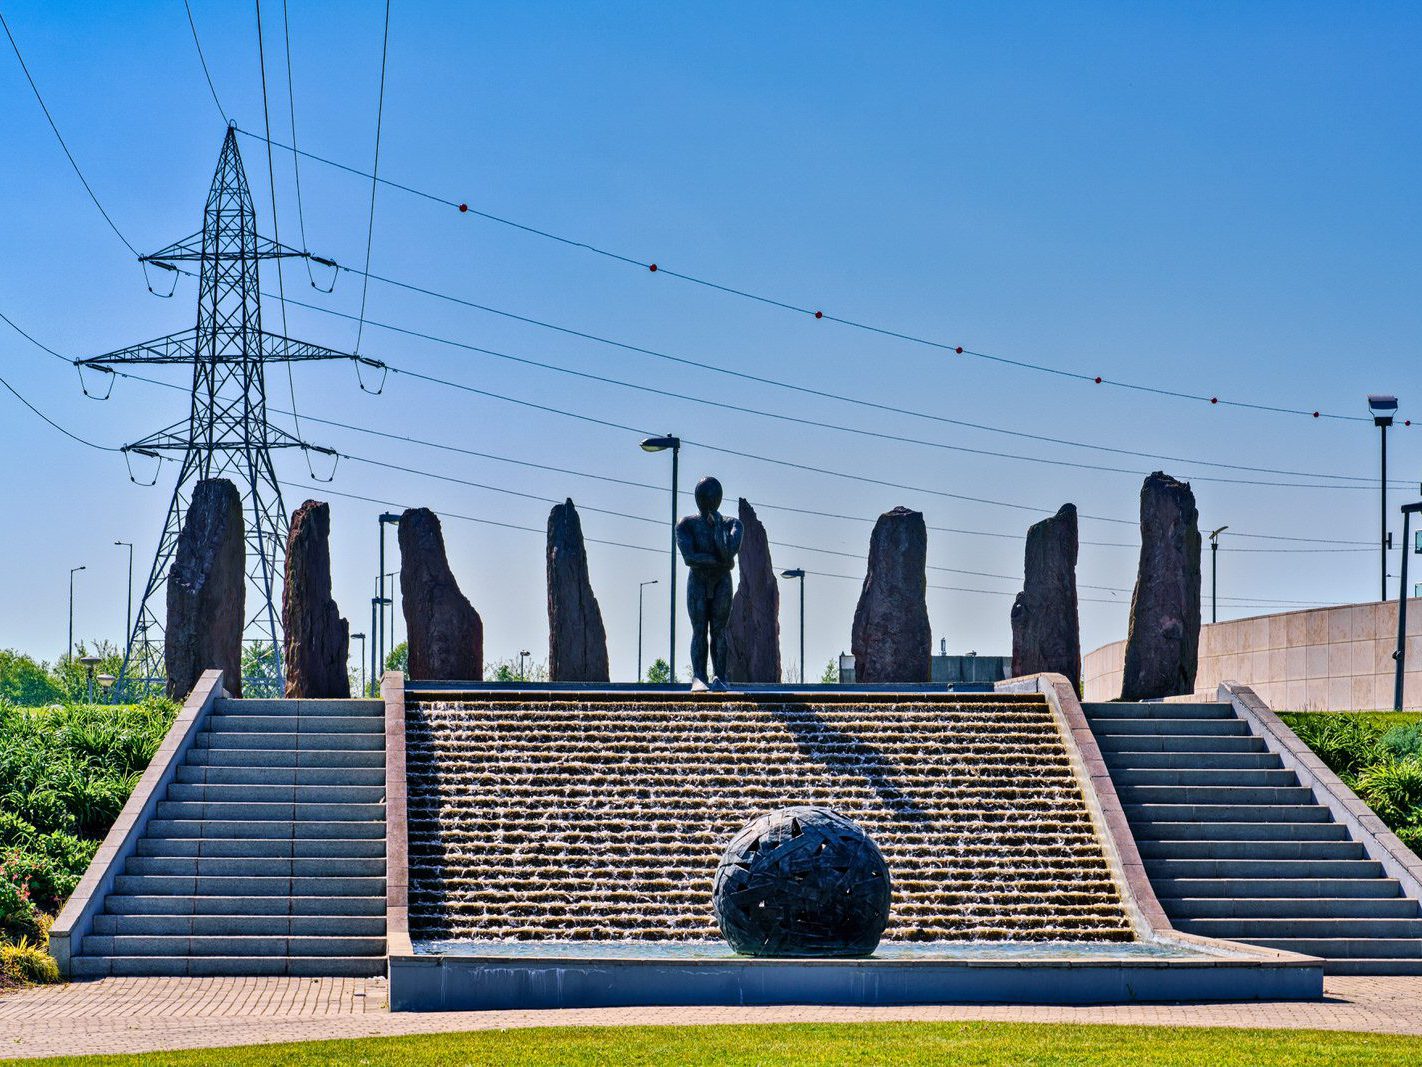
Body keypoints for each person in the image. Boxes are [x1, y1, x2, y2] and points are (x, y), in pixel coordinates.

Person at [675, 476, 743, 690]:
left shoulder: (732, 524)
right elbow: (690, 558)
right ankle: (699, 677)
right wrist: (723, 562)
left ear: (719, 499)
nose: (707, 501)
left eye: (712, 497)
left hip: (721, 582)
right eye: (703, 497)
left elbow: (729, 552)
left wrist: (717, 532)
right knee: (699, 630)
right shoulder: (686, 525)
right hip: (698, 582)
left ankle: (720, 676)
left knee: (719, 631)